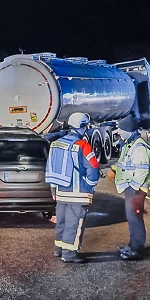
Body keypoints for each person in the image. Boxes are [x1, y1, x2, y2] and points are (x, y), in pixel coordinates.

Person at [44, 112, 100, 263]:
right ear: (82, 127)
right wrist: (90, 184)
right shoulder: (82, 145)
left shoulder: (56, 144)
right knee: (74, 224)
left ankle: (59, 249)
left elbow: (51, 168)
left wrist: (53, 189)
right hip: (78, 192)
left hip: (61, 192)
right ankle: (69, 255)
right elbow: (93, 167)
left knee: (61, 222)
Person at [108, 115, 150, 260]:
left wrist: (133, 188)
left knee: (135, 218)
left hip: (136, 189)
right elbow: (123, 162)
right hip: (131, 188)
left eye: (121, 130)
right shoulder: (129, 144)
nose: (119, 133)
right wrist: (114, 169)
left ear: (129, 130)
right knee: (132, 217)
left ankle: (136, 248)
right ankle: (133, 244)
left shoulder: (139, 147)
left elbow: (142, 170)